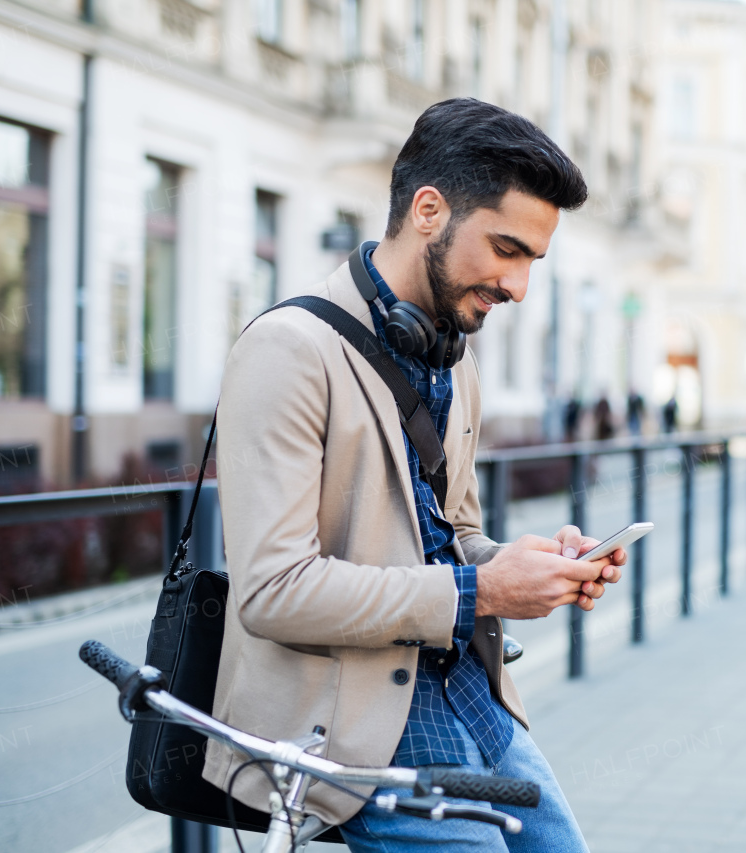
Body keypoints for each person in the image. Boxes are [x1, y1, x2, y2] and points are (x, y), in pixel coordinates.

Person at [208, 98, 625, 852]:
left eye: (532, 259)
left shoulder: (452, 353)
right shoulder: (287, 351)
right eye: (506, 248)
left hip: (475, 700)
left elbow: (450, 535)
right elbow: (273, 590)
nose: (519, 285)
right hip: (351, 740)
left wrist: (528, 566)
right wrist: (483, 591)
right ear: (428, 209)